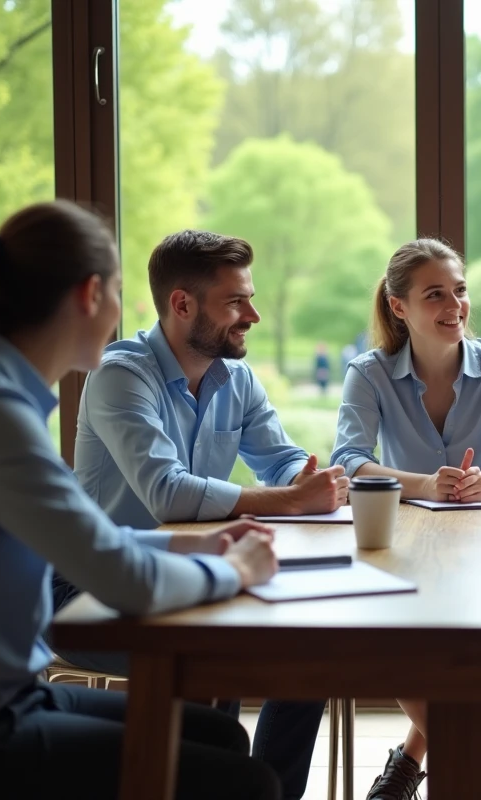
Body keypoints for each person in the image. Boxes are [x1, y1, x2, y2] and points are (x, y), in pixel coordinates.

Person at [0, 202, 283, 799]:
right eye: (117, 293)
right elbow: (123, 579)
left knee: (219, 738)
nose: (123, 313)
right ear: (89, 295)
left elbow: (90, 535)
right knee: (248, 783)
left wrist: (205, 543)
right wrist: (232, 569)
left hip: (6, 696)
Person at [64, 229, 345, 799]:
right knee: (224, 654)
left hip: (194, 575)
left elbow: (281, 456)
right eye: (236, 301)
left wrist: (304, 479)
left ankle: (265, 791)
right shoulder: (121, 375)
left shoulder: (235, 378)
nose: (254, 315)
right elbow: (167, 493)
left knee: (313, 653)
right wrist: (291, 501)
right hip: (92, 586)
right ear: (182, 304)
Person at [330, 238, 481, 799]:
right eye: (435, 294)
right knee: (392, 641)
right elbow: (348, 461)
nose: (454, 304)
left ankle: (411, 763)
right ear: (399, 307)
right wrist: (422, 485)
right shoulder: (369, 372)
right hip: (401, 543)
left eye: (459, 290)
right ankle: (464, 768)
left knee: (466, 650)